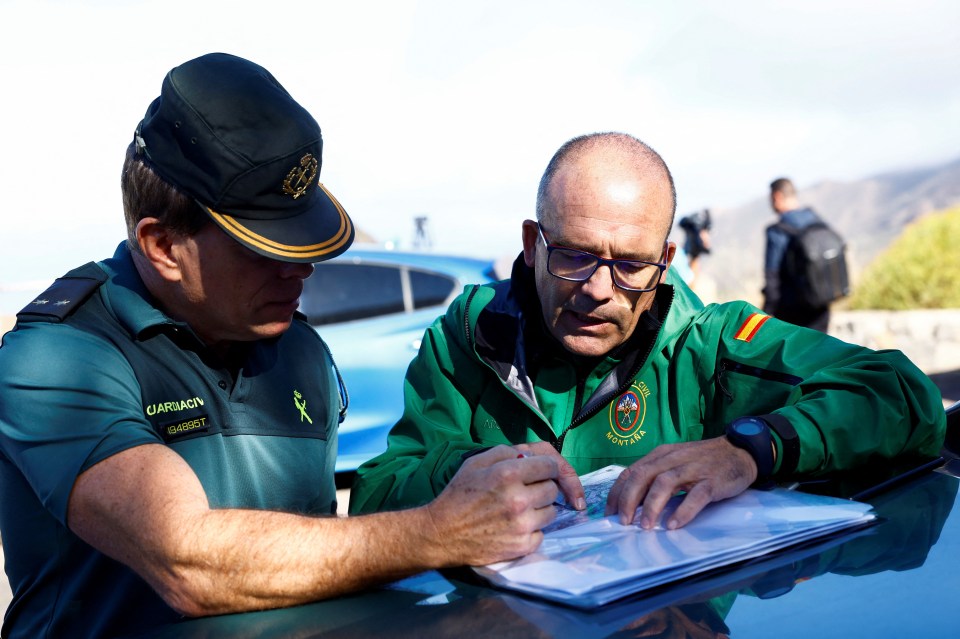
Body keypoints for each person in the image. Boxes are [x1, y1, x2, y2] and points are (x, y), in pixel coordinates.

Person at [0, 53, 567, 639]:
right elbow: (185, 560)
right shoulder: (57, 358)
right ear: (163, 244)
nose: (301, 271)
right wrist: (436, 530)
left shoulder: (299, 351)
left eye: (305, 244)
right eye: (265, 249)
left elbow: (317, 558)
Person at [349, 132, 945, 534]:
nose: (599, 289)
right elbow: (377, 494)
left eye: (631, 264)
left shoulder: (709, 345)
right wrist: (468, 473)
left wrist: (748, 450)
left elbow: (901, 391)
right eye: (575, 255)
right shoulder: (466, 338)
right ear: (532, 245)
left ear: (665, 260)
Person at [762, 177, 832, 331]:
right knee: (820, 353)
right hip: (821, 306)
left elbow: (772, 277)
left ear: (777, 197)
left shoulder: (778, 231)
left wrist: (765, 315)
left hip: (791, 312)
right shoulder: (815, 219)